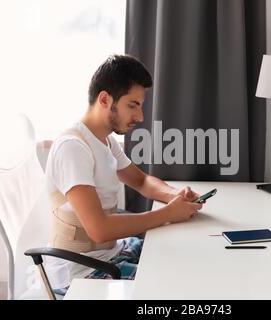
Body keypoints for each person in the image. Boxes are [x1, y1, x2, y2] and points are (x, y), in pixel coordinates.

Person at [44, 54, 203, 294]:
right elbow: (99, 229)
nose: (140, 117)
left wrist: (175, 195)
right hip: (81, 272)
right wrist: (168, 213)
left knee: (184, 258)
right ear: (105, 99)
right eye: (133, 105)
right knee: (172, 285)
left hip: (111, 252)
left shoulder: (104, 140)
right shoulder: (73, 148)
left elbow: (141, 180)